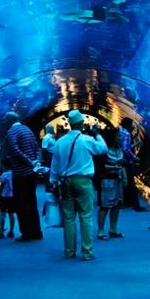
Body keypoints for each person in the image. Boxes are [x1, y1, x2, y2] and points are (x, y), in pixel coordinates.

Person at [49, 110, 107, 260]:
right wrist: (97, 134)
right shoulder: (86, 139)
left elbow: (54, 164)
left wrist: (53, 181)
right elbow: (103, 149)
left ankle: (69, 251)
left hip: (65, 182)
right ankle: (87, 252)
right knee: (85, 216)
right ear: (81, 123)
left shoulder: (60, 142)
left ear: (69, 124)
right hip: (83, 181)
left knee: (68, 218)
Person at [4, 111, 43, 241]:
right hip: (32, 173)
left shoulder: (11, 132)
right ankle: (37, 232)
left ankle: (26, 233)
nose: (5, 123)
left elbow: (15, 151)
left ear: (10, 121)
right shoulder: (27, 129)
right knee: (32, 201)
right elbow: (37, 148)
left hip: (20, 173)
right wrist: (37, 162)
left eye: (6, 120)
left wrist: (29, 162)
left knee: (21, 203)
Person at [96, 126, 126, 240]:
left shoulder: (119, 150)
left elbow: (122, 165)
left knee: (117, 205)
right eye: (119, 136)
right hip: (107, 181)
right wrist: (114, 167)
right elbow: (100, 167)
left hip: (118, 181)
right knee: (105, 206)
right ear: (113, 137)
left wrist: (124, 177)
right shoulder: (105, 151)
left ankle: (113, 229)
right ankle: (100, 231)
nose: (121, 138)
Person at [119, 117, 144, 211]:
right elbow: (125, 149)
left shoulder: (120, 132)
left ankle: (127, 202)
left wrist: (136, 144)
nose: (133, 126)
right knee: (131, 183)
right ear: (128, 125)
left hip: (121, 160)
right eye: (132, 124)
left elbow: (125, 146)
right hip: (127, 161)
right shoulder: (127, 134)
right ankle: (135, 205)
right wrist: (134, 157)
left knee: (126, 182)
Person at [0, 165, 16, 238]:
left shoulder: (4, 174)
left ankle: (1, 232)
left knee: (2, 214)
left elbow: (2, 185)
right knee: (11, 214)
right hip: (12, 196)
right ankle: (11, 231)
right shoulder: (15, 173)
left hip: (4, 196)